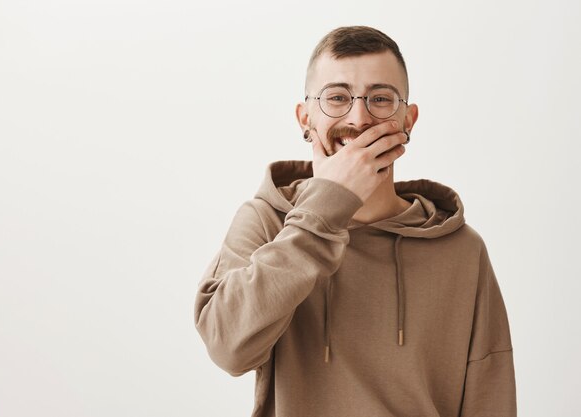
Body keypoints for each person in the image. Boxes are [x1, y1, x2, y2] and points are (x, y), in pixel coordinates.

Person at [194, 25, 517, 417]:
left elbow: (490, 395)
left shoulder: (461, 249)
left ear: (408, 120)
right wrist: (328, 206)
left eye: (380, 98)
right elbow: (227, 348)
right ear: (305, 118)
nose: (359, 117)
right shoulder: (266, 221)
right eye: (337, 98)